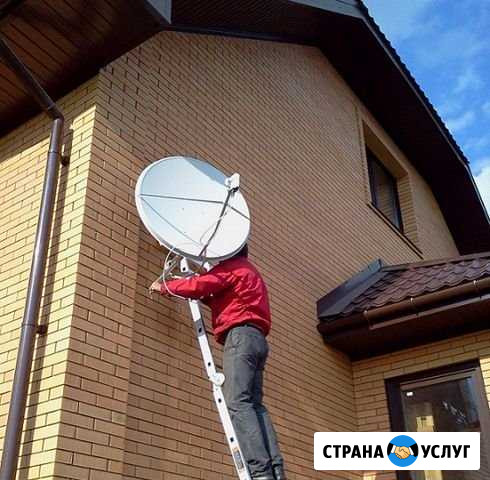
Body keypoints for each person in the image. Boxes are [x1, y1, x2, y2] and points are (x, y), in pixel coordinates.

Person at [150, 244, 286, 480]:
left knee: (238, 403)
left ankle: (260, 472)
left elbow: (200, 285)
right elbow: (218, 298)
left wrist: (165, 287)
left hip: (240, 337)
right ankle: (275, 470)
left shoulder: (232, 268)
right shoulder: (249, 272)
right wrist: (200, 290)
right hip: (257, 339)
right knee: (255, 406)